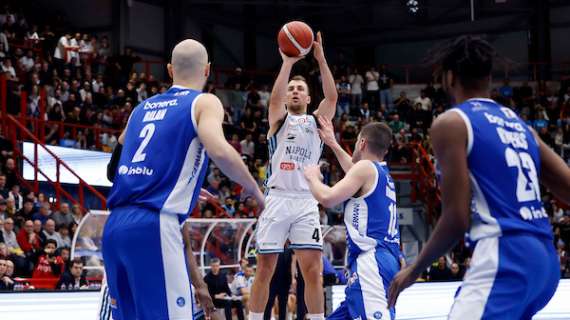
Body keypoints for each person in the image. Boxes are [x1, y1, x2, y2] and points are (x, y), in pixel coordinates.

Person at [388, 36, 570, 319]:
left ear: (449, 78)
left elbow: (456, 218)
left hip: (506, 255)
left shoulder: (452, 123)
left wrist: (415, 268)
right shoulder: (521, 126)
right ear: (489, 78)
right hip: (545, 261)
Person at [102, 39, 263, 320]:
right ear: (207, 70)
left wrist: (172, 180)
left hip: (115, 226)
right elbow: (219, 149)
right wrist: (254, 189)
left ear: (169, 70)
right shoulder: (204, 101)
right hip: (154, 227)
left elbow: (113, 169)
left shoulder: (141, 109)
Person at [248, 31, 337, 320]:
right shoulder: (278, 120)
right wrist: (287, 63)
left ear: (310, 98)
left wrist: (321, 59)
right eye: (292, 88)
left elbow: (332, 96)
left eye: (300, 88)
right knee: (265, 269)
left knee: (313, 272)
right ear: (287, 96)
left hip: (306, 202)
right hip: (277, 199)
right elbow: (274, 100)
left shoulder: (317, 121)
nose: (295, 91)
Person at [303, 117, 400, 320]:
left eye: (356, 141)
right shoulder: (381, 173)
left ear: (362, 143)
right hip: (383, 259)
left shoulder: (365, 169)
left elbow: (327, 198)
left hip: (372, 261)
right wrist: (332, 142)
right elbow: (353, 171)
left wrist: (312, 177)